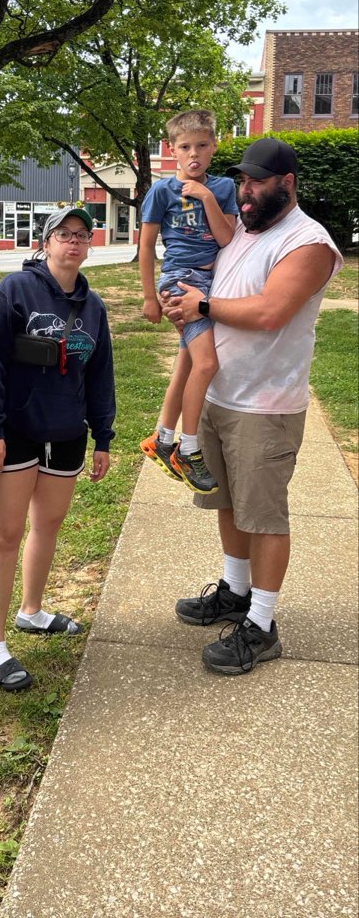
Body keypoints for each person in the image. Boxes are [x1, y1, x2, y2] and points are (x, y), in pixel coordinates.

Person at [163, 137, 342, 675]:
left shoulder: (309, 243)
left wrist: (203, 304)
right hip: (219, 392)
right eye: (243, 180)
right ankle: (236, 592)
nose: (247, 190)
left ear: (287, 183)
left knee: (263, 517)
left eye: (257, 181)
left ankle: (262, 625)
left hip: (264, 406)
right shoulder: (248, 226)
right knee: (226, 504)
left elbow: (270, 312)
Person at [0, 206, 115, 693]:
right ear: (46, 241)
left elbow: (99, 375)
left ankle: (31, 611)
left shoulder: (93, 307)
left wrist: (103, 436)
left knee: (48, 526)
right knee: (6, 533)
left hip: (68, 433)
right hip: (13, 431)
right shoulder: (16, 290)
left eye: (82, 235)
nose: (73, 242)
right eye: (64, 234)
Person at [139, 110, 238, 493]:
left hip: (212, 285)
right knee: (207, 363)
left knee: (186, 364)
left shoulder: (224, 187)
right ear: (172, 150)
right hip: (180, 283)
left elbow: (227, 238)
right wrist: (150, 296)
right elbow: (147, 245)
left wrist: (205, 196)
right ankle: (189, 449)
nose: (193, 153)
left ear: (213, 147)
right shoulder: (161, 191)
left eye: (201, 145)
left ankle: (163, 440)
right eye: (184, 147)